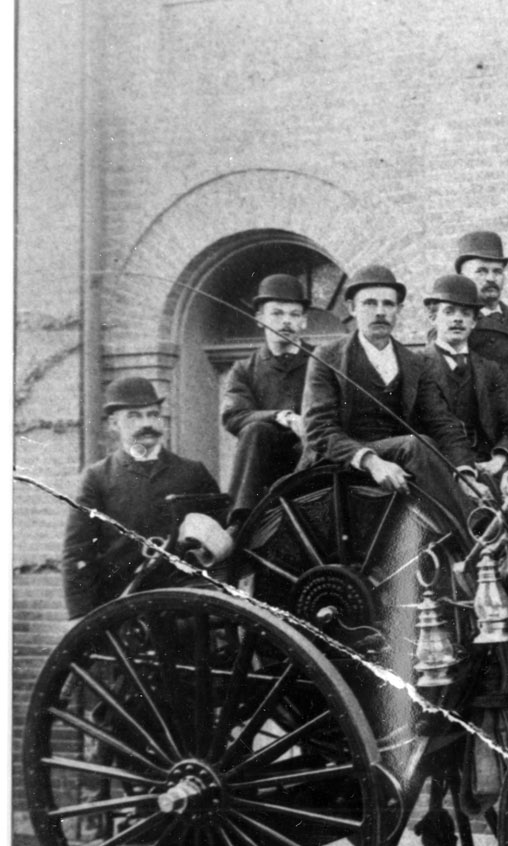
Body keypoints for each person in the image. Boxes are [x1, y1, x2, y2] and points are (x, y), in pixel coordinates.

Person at [299, 264, 483, 521]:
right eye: (370, 304)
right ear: (352, 308)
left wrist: (465, 472)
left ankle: (482, 526)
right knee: (415, 445)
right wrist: (371, 461)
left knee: (473, 473)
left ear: (399, 310)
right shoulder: (327, 357)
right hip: (342, 461)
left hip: (401, 463)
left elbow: (441, 422)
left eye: (388, 304)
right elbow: (318, 428)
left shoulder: (415, 363)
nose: (380, 312)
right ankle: (476, 531)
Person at [62, 376, 222, 622]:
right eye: (134, 416)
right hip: (122, 607)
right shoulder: (97, 478)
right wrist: (80, 616)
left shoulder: (193, 473)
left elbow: (220, 538)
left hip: (184, 608)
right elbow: (77, 552)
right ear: (114, 424)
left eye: (153, 414)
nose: (147, 423)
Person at [415, 274, 508, 496]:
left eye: (466, 314)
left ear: (474, 322)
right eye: (449, 312)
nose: (458, 319)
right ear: (433, 317)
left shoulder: (489, 369)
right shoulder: (416, 366)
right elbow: (438, 425)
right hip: (439, 469)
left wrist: (499, 459)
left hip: (488, 466)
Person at [221, 273, 312, 526]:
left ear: (304, 322)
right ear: (260, 319)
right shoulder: (244, 369)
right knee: (256, 429)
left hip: (312, 456)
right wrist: (279, 416)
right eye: (277, 313)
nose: (286, 322)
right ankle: (240, 523)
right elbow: (233, 415)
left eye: (294, 315)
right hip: (263, 467)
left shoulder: (322, 362)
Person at [452, 229, 508, 401]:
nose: (491, 278)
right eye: (482, 271)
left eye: (497, 271)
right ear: (463, 277)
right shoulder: (455, 322)